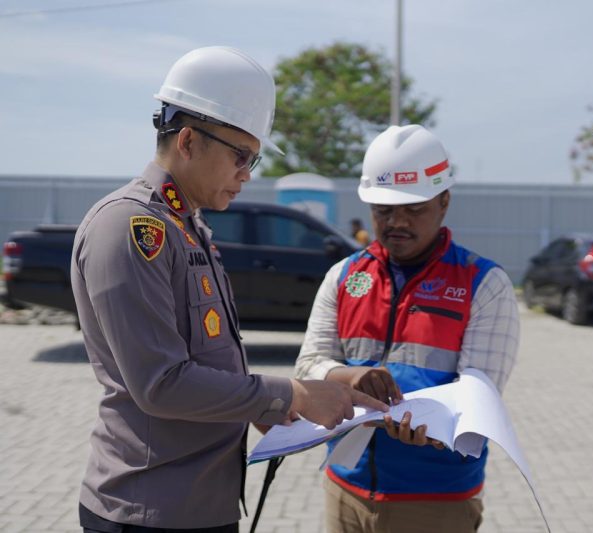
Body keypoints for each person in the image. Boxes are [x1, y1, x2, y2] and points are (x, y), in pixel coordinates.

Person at [71, 46, 387, 532]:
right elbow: (161, 384)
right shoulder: (133, 227)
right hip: (150, 511)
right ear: (190, 141)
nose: (247, 173)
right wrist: (294, 396)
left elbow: (206, 362)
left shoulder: (186, 224)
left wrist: (266, 407)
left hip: (199, 504)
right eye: (241, 155)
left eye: (254, 159)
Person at [295, 124, 519, 533]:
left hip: (435, 500)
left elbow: (480, 392)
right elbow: (309, 362)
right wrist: (344, 375)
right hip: (346, 486)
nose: (396, 221)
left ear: (444, 201)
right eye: (383, 210)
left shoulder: (483, 283)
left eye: (414, 209)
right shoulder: (344, 275)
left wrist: (437, 427)